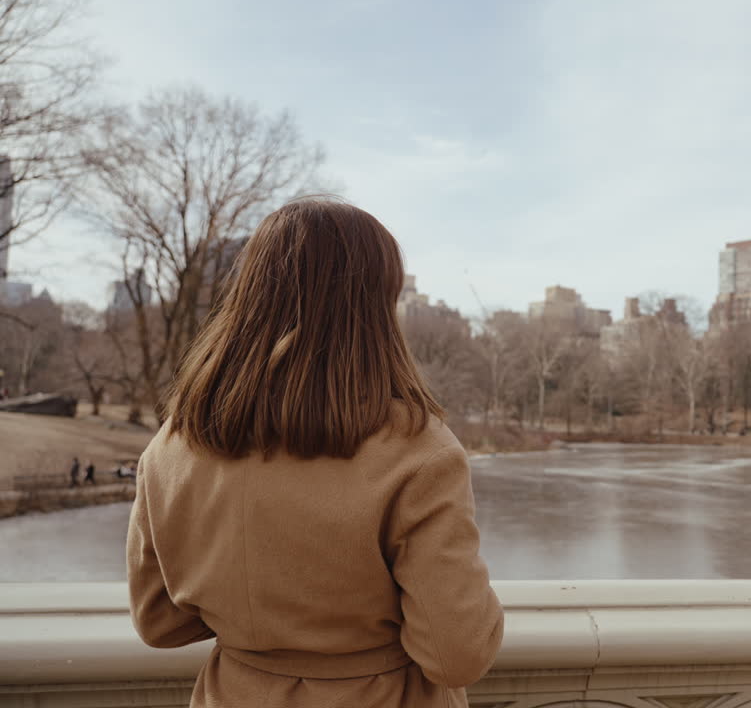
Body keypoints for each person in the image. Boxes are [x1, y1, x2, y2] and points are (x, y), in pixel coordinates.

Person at [126, 199, 503, 708]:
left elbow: (160, 622)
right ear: (376, 306)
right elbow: (457, 653)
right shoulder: (419, 451)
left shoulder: (173, 445)